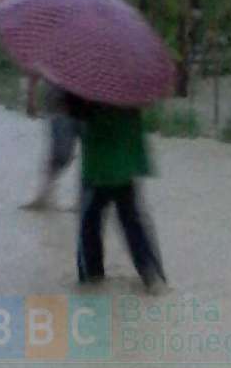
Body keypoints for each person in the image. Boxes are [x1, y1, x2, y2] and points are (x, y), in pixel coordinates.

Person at [67, 95, 168, 294]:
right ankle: (153, 277)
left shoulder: (87, 91)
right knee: (134, 224)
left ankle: (92, 282)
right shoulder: (129, 91)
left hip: (97, 171)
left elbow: (76, 118)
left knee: (89, 226)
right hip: (125, 168)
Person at [21, 76, 80, 211]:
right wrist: (31, 98)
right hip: (59, 105)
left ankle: (85, 199)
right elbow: (35, 66)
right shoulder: (55, 55)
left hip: (89, 104)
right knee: (61, 154)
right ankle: (44, 195)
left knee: (91, 155)